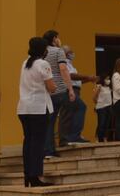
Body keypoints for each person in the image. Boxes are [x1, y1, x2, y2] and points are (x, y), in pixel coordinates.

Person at [17, 37, 57, 187]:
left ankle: (27, 175)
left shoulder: (25, 63)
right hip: (38, 108)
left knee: (28, 142)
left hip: (23, 108)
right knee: (38, 144)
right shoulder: (43, 64)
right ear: (43, 49)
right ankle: (35, 177)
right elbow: (51, 87)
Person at [42, 30, 75, 158]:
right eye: (57, 37)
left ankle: (48, 148)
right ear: (54, 39)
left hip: (46, 90)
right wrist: (70, 88)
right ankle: (54, 146)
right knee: (61, 117)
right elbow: (63, 69)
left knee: (48, 120)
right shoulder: (58, 51)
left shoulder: (42, 53)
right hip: (59, 89)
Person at [59, 46, 97, 146]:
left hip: (74, 89)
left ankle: (67, 138)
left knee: (69, 114)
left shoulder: (70, 64)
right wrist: (87, 76)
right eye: (71, 51)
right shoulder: (64, 63)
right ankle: (73, 136)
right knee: (80, 107)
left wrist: (88, 80)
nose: (72, 53)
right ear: (66, 53)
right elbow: (70, 75)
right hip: (68, 90)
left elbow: (76, 81)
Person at [93, 74, 113, 142]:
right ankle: (99, 138)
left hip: (109, 107)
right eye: (107, 79)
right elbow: (94, 98)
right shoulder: (99, 86)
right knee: (101, 123)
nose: (108, 80)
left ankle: (104, 137)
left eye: (109, 79)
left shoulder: (109, 88)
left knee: (107, 124)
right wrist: (98, 104)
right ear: (103, 79)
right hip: (101, 108)